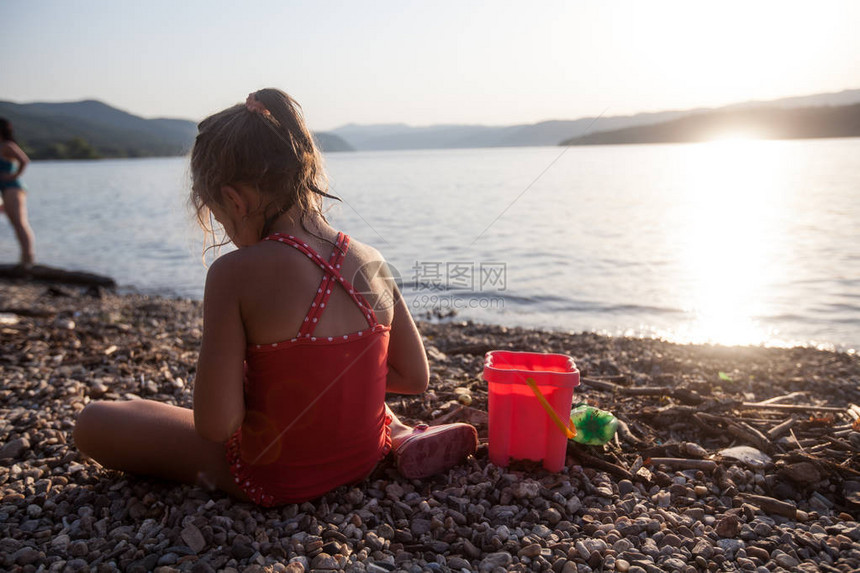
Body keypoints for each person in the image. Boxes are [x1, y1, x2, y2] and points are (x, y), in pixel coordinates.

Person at [74, 89, 478, 506]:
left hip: (271, 475)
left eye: (217, 215)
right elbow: (415, 378)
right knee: (350, 377)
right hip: (362, 459)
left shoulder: (233, 273)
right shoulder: (371, 259)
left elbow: (217, 424)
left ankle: (388, 429)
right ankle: (397, 433)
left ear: (235, 199)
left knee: (94, 421)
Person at [0, 118, 35, 267]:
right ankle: (25, 259)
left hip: (13, 187)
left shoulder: (7, 145)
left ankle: (28, 260)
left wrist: (14, 175)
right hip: (3, 190)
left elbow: (24, 160)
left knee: (19, 223)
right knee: (15, 224)